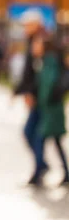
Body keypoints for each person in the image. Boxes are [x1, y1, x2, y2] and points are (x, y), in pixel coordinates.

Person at [13, 9, 48, 185]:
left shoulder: (41, 42)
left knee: (32, 133)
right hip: (37, 96)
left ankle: (41, 167)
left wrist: (30, 93)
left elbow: (39, 74)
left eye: (28, 24)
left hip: (41, 98)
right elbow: (28, 72)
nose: (25, 28)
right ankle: (41, 167)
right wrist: (18, 91)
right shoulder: (33, 41)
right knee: (36, 134)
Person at [31, 34, 69, 185]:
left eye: (37, 44)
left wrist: (42, 101)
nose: (34, 47)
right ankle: (65, 172)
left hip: (51, 109)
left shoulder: (50, 62)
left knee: (39, 138)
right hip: (51, 108)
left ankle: (39, 169)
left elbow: (49, 84)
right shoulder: (45, 61)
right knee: (56, 141)